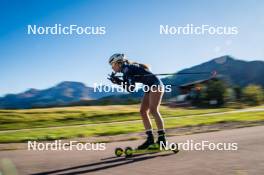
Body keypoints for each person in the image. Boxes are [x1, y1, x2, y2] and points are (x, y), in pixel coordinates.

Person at [108, 53, 167, 149]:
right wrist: (119, 82)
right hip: (150, 86)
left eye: (112, 64)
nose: (112, 68)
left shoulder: (127, 69)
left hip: (156, 85)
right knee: (143, 111)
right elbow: (130, 87)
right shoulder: (126, 69)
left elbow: (131, 89)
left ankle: (162, 140)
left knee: (153, 110)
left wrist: (118, 82)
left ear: (119, 63)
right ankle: (150, 140)